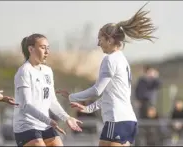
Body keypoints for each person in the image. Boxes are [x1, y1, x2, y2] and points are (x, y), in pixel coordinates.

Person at [57, 2, 157, 146]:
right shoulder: (122, 59)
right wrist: (88, 108)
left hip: (116, 121)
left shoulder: (109, 59)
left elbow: (98, 90)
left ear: (109, 40)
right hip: (129, 121)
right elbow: (111, 95)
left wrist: (72, 96)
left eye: (100, 39)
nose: (98, 44)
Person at [13, 33, 83, 146]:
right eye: (43, 48)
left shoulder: (47, 71)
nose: (47, 52)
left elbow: (52, 101)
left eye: (48, 48)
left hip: (45, 125)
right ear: (31, 49)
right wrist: (49, 121)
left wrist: (67, 118)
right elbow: (26, 105)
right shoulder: (24, 71)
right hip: (26, 126)